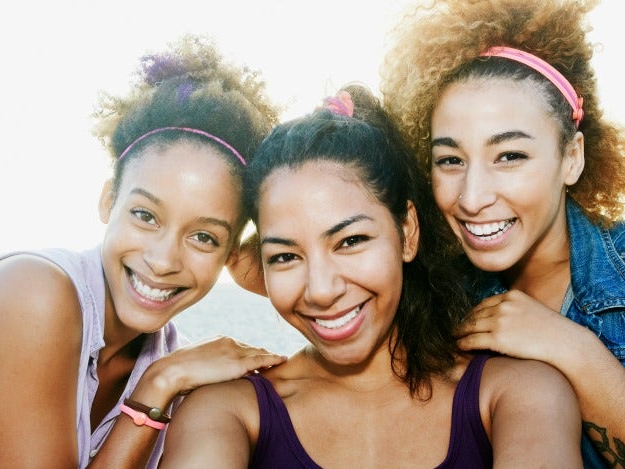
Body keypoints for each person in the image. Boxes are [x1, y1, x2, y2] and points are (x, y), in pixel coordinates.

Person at [0, 35, 287, 468]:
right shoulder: (29, 295)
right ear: (107, 201)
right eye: (145, 215)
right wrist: (156, 390)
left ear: (231, 254)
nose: (163, 260)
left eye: (204, 238)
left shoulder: (178, 361)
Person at [379, 1, 625, 467]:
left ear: (572, 157)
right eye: (450, 160)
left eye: (510, 156)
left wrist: (575, 354)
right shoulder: (433, 285)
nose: (472, 196)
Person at [160, 85, 582, 468]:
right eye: (286, 256)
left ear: (407, 233)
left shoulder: (521, 395)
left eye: (350, 241)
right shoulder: (224, 412)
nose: (321, 291)